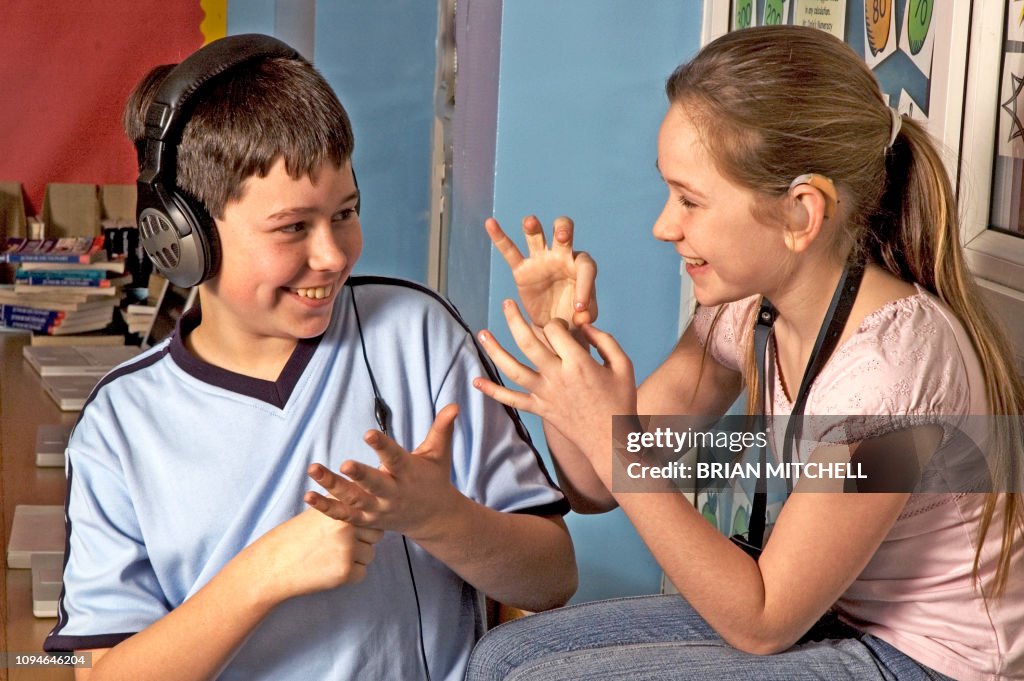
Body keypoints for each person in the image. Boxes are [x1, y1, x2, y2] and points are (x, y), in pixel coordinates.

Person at [467, 25, 1024, 681]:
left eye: (690, 200)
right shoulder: (748, 310)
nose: (664, 225)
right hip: (835, 614)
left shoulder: (891, 384)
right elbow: (595, 487)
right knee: (503, 656)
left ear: (799, 215)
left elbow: (762, 622)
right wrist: (566, 354)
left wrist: (615, 449)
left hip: (936, 660)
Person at [43, 34, 576, 681]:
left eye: (346, 212)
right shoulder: (119, 426)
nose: (332, 254)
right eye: (293, 227)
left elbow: (553, 577)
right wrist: (263, 574)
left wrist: (439, 517)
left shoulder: (416, 334)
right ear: (186, 240)